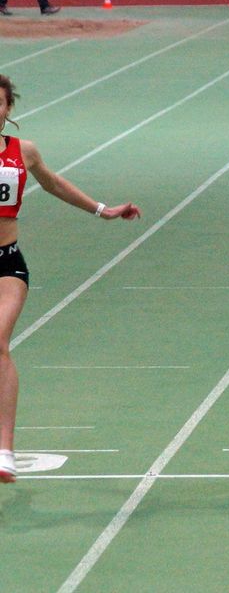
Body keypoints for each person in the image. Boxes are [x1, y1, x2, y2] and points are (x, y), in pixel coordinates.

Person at [0, 74, 141, 483]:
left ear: (9, 111)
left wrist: (104, 210)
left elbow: (55, 183)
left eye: (0, 103)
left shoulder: (23, 152)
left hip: (8, 264)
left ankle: (5, 449)